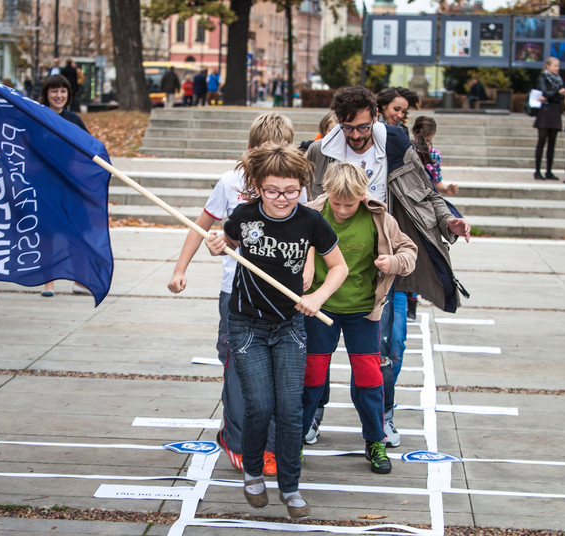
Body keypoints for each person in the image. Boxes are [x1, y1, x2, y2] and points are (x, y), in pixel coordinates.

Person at [306, 86, 471, 447]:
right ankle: (312, 417)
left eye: (362, 127)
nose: (355, 135)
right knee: (316, 356)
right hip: (330, 267)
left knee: (389, 348)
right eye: (348, 128)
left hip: (383, 267)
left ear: (375, 118)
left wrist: (449, 221)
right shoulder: (322, 151)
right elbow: (303, 204)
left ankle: (383, 418)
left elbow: (426, 193)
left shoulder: (394, 145)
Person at [204, 142, 347, 520]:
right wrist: (217, 244)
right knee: (260, 404)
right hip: (246, 323)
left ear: (302, 185)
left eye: (290, 190)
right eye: (272, 191)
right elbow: (226, 243)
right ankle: (252, 472)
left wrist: (317, 297)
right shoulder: (244, 215)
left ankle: (290, 486)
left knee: (289, 409)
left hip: (290, 326)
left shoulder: (311, 222)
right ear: (258, 185)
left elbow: (339, 268)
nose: (281, 199)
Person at [168, 112, 299, 477]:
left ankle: (271, 445)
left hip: (280, 294)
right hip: (237, 294)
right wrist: (181, 268)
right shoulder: (231, 182)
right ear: (250, 149)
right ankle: (238, 439)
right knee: (239, 368)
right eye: (263, 151)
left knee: (277, 371)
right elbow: (202, 225)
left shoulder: (295, 182)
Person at [302, 161, 417, 475]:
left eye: (349, 204)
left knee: (369, 378)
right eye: (336, 202)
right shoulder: (312, 212)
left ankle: (375, 440)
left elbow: (410, 253)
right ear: (327, 193)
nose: (341, 210)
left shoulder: (379, 217)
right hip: (320, 307)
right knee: (311, 375)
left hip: (363, 311)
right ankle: (296, 437)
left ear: (363, 195)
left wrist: (392, 262)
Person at [38, 74, 91, 298]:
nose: (58, 95)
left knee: (77, 233)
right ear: (46, 94)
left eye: (63, 91)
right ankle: (48, 283)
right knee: (48, 234)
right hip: (46, 185)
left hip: (71, 186)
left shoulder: (74, 120)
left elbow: (89, 148)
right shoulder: (37, 116)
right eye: (54, 91)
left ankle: (79, 280)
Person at [533, 57, 565, 181]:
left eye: (558, 66)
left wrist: (554, 95)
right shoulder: (543, 77)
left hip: (555, 111)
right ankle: (537, 170)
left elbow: (560, 96)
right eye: (555, 66)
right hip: (545, 112)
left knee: (552, 142)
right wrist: (557, 93)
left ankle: (549, 170)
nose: (557, 68)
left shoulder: (559, 80)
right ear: (548, 66)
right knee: (542, 141)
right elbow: (545, 93)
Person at [411, 116, 459, 196]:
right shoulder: (407, 150)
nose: (423, 144)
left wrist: (446, 190)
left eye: (428, 141)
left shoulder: (434, 155)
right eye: (420, 139)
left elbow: (436, 181)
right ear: (413, 132)